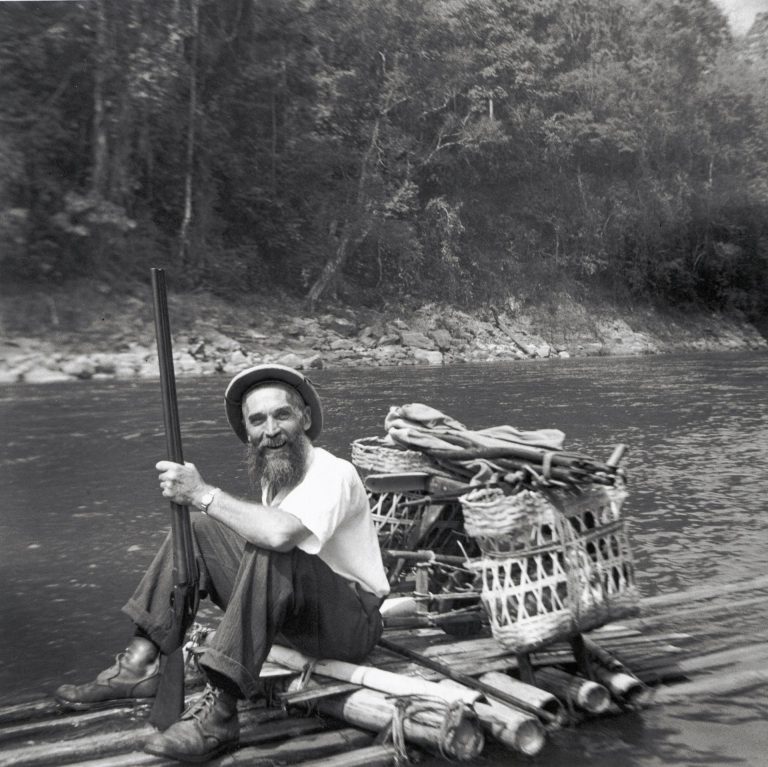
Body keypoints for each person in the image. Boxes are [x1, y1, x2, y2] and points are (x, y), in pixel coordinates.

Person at [55, 364, 390, 762]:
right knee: (197, 527)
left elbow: (279, 535)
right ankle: (139, 664)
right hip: (297, 618)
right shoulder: (277, 479)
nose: (271, 430)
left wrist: (202, 492)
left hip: (349, 626)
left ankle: (220, 715)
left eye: (282, 415)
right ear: (247, 432)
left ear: (305, 418)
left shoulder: (333, 471)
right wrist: (201, 504)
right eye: (258, 420)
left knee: (269, 542)